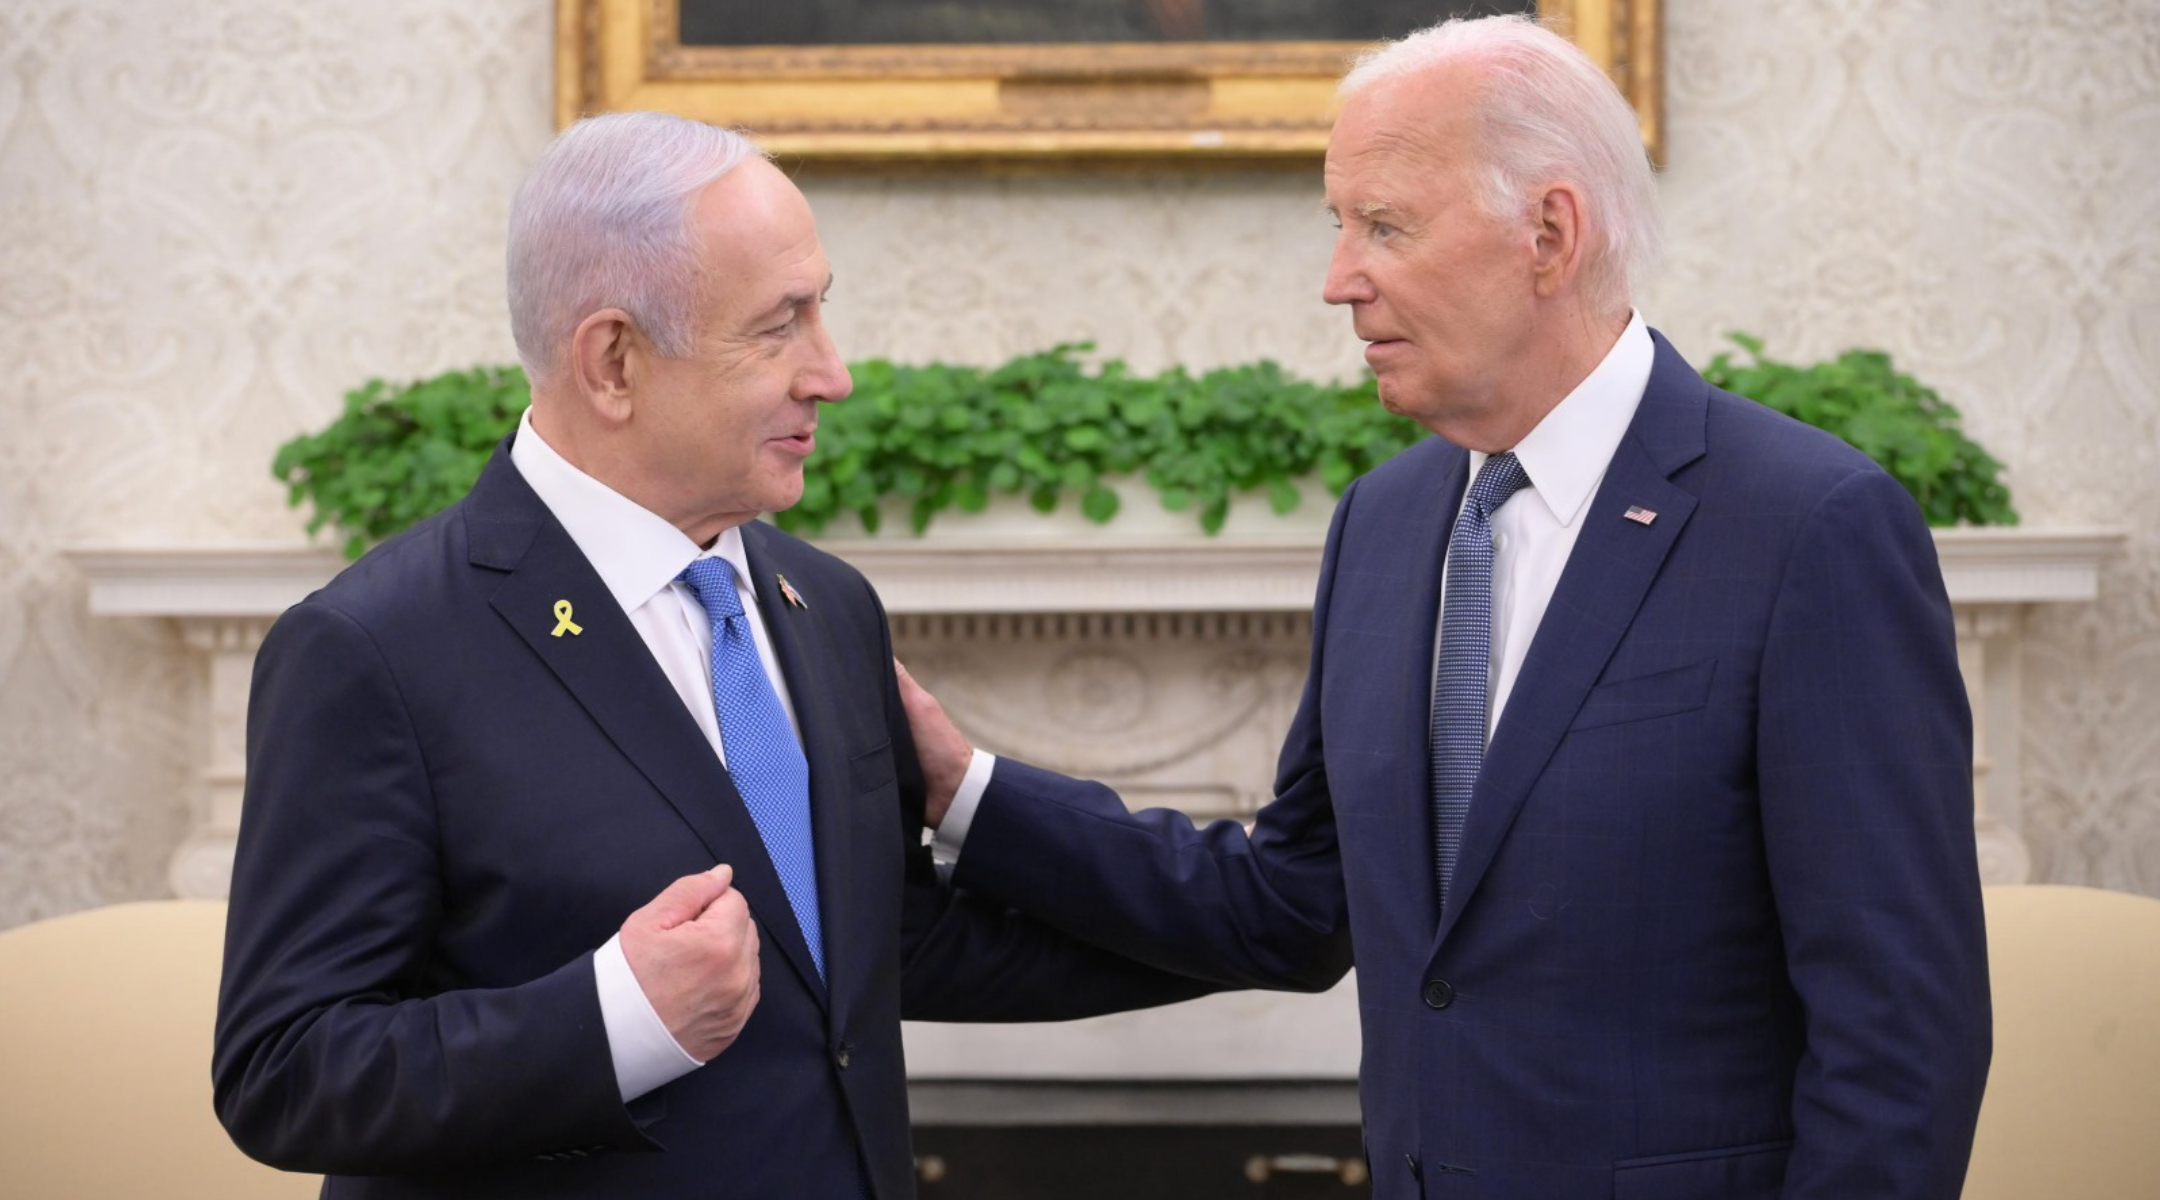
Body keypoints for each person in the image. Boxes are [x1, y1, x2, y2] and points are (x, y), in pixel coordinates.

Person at [899, 14, 1992, 1199]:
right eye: (1340, 226)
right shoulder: (1385, 522)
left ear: (1549, 232)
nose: (1338, 281)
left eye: (1386, 227)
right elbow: (1292, 900)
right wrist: (972, 792)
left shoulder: (1810, 526)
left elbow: (1900, 1040)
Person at [212, 111, 1217, 1199]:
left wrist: (1284, 925)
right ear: (612, 362)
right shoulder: (374, 649)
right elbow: (286, 1071)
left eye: (821, 311)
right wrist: (617, 1021)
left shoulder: (824, 603)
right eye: (779, 327)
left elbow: (875, 948)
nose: (830, 374)